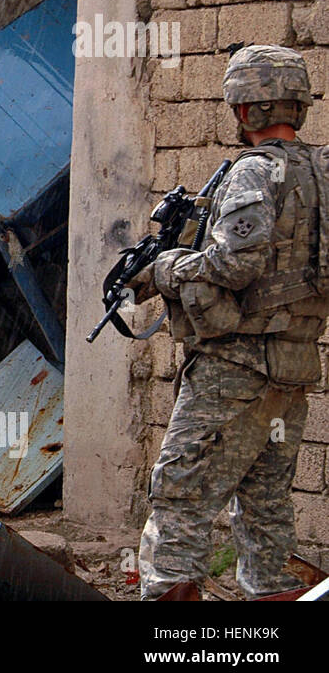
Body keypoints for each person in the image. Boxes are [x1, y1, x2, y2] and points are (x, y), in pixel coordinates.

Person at [134, 45, 329, 600]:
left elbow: (234, 264)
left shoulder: (254, 171)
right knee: (266, 504)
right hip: (292, 370)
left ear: (244, 110)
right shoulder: (323, 171)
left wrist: (166, 269)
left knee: (180, 497)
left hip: (233, 371)